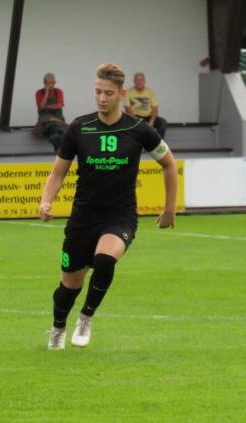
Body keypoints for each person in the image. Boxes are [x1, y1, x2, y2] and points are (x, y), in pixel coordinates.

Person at [40, 64, 177, 350]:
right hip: (82, 219)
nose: (102, 98)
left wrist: (169, 209)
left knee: (105, 260)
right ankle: (57, 327)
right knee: (69, 287)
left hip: (120, 215)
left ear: (121, 94)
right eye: (98, 92)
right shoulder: (79, 127)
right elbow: (58, 173)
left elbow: (169, 164)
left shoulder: (138, 129)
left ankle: (86, 318)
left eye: (108, 93)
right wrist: (46, 200)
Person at [124, 72, 167, 138]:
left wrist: (152, 121)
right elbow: (127, 109)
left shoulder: (150, 91)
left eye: (141, 80)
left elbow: (155, 108)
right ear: (134, 81)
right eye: (137, 80)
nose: (139, 82)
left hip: (148, 116)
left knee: (162, 122)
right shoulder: (128, 92)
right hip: (135, 117)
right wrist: (138, 121)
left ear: (144, 81)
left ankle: (158, 143)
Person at [34, 73, 68, 152]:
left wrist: (46, 106)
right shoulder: (39, 93)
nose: (51, 84)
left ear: (55, 82)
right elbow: (41, 106)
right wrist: (46, 93)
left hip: (58, 119)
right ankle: (56, 144)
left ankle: (60, 147)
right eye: (48, 82)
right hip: (45, 119)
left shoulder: (59, 91)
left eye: (52, 82)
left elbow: (59, 105)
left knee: (61, 130)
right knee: (51, 128)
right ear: (44, 82)